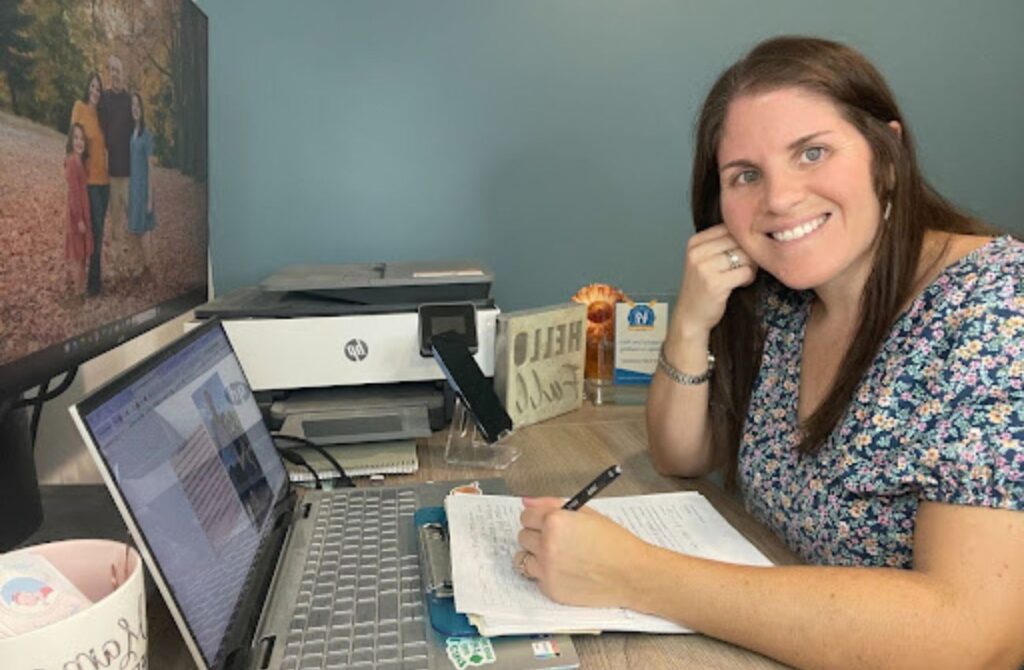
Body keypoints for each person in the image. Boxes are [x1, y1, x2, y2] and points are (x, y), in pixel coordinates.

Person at [514, 36, 1023, 669]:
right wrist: (692, 320)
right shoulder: (788, 297)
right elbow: (681, 455)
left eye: (812, 152)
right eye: (745, 176)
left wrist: (637, 575)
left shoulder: (998, 303)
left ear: (886, 158)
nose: (778, 199)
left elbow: (975, 637)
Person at [69, 72, 109, 295]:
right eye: (93, 87)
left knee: (99, 232)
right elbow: (72, 141)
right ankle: (93, 285)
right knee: (95, 231)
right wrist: (73, 173)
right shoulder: (79, 108)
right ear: (87, 88)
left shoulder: (101, 116)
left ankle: (92, 280)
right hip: (90, 182)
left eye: (98, 89)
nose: (95, 91)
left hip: (105, 183)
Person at [99, 54, 134, 277]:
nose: (115, 74)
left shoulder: (129, 100)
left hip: (129, 172)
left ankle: (131, 263)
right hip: (112, 172)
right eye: (111, 70)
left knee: (132, 220)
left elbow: (136, 130)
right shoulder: (103, 99)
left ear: (123, 74)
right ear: (108, 72)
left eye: (118, 70)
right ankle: (117, 265)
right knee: (116, 222)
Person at [64, 123, 94, 298]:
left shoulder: (80, 161)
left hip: (85, 210)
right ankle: (77, 293)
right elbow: (74, 194)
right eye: (76, 138)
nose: (79, 142)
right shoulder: (71, 162)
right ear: (71, 140)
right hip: (77, 215)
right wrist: (79, 220)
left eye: (82, 138)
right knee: (78, 256)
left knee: (83, 256)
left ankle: (80, 290)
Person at [127, 92, 156, 277]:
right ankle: (142, 267)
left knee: (144, 230)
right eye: (133, 105)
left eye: (138, 105)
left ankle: (148, 269)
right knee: (136, 229)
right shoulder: (133, 133)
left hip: (144, 190)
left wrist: (150, 199)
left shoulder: (146, 135)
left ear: (142, 109)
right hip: (134, 189)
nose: (135, 108)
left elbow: (151, 169)